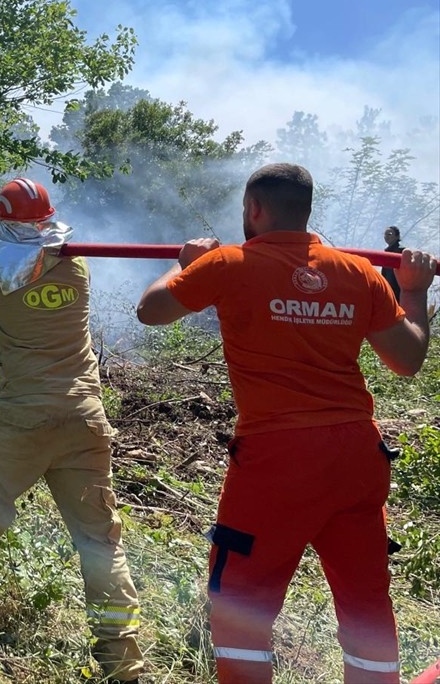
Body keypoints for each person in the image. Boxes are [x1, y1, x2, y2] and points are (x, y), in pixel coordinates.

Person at [136, 163, 436, 684]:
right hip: (357, 456)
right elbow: (407, 359)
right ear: (307, 209)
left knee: (242, 598)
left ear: (253, 208)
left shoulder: (228, 263)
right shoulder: (359, 272)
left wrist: (186, 264)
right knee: (365, 598)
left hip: (277, 460)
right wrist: (414, 291)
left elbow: (150, 310)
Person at [0, 178, 144, 683]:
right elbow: (34, 257)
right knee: (100, 540)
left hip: (21, 418)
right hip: (83, 418)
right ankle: (123, 662)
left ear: (4, 222)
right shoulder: (75, 262)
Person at [382, 225, 404, 301]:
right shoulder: (386, 252)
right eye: (385, 234)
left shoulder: (402, 251)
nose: (386, 236)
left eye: (389, 234)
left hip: (399, 288)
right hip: (389, 288)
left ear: (397, 236)